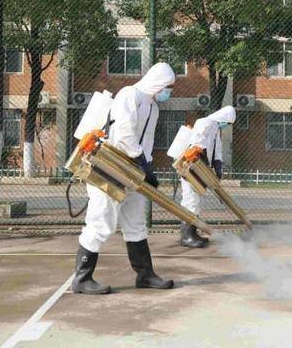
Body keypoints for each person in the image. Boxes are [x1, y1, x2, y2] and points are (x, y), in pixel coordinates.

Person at [72, 62, 176, 295]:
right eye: (168, 87)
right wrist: (143, 164)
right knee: (102, 222)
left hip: (132, 170)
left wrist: (146, 169)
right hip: (109, 166)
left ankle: (145, 275)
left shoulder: (153, 108)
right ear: (158, 83)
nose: (169, 91)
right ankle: (82, 278)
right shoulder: (129, 95)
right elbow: (123, 135)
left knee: (135, 222)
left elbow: (146, 141)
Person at [179, 105, 236, 248]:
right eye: (228, 123)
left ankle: (192, 233)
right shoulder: (204, 122)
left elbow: (217, 151)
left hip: (200, 168)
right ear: (224, 118)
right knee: (190, 200)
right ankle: (186, 236)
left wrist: (217, 169)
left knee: (196, 201)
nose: (226, 125)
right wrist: (204, 168)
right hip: (191, 166)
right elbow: (197, 146)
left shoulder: (215, 128)